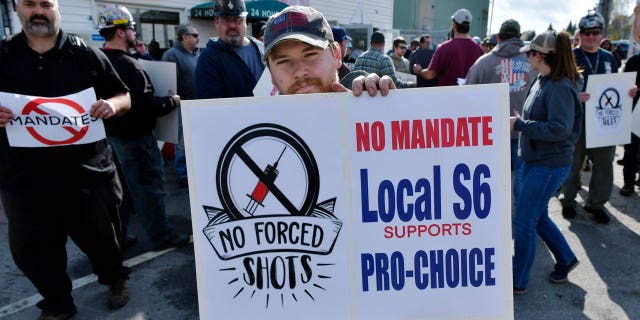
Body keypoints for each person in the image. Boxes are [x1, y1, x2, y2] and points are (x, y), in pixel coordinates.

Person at [0, 0, 132, 318]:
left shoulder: (84, 52)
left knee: (104, 241)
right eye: (30, 4)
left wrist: (112, 106)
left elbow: (123, 94)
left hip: (85, 175)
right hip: (25, 180)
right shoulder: (4, 56)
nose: (38, 11)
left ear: (57, 8)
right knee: (33, 250)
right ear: (18, 9)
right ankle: (57, 304)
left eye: (46, 4)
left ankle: (115, 280)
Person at [98, 4, 191, 251]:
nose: (133, 33)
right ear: (120, 32)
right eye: (130, 29)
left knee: (124, 193)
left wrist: (139, 55)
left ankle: (119, 237)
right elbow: (144, 104)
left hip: (114, 138)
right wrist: (172, 101)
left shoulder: (102, 59)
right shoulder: (129, 65)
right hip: (137, 138)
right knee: (149, 190)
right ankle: (162, 237)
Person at [510, 30, 583, 295]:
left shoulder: (560, 86)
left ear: (538, 55)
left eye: (529, 53)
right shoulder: (542, 79)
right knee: (536, 217)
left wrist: (520, 124)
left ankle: (517, 279)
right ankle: (565, 258)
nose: (527, 58)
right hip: (533, 160)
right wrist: (524, 122)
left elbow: (559, 129)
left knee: (524, 220)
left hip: (548, 164)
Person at [560, 12, 637, 224]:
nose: (590, 37)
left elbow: (615, 87)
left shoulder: (608, 58)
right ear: (580, 34)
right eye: (586, 33)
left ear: (601, 33)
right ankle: (568, 200)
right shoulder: (570, 57)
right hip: (577, 121)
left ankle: (596, 204)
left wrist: (627, 93)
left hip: (604, 122)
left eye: (595, 32)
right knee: (573, 164)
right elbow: (558, 86)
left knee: (604, 165)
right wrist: (576, 95)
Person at [263, 6, 394, 97]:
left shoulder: (366, 100)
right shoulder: (260, 128)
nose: (299, 72)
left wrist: (387, 106)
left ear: (336, 55)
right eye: (283, 61)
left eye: (310, 54)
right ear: (271, 75)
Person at [466, 19, 536, 177]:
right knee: (521, 176)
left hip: (490, 130)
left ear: (498, 38)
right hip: (524, 128)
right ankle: (519, 203)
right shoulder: (533, 61)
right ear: (519, 37)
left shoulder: (483, 63)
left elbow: (467, 95)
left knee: (491, 177)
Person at [195, 0, 264, 99]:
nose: (232, 25)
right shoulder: (208, 60)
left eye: (238, 19)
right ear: (216, 21)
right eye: (226, 20)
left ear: (246, 21)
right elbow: (211, 108)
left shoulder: (261, 48)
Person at [161, 24, 200, 187]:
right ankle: (183, 174)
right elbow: (166, 81)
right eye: (195, 35)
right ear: (184, 37)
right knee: (182, 143)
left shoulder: (197, 54)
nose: (198, 38)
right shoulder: (172, 55)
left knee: (194, 141)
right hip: (181, 107)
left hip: (197, 105)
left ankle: (193, 170)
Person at [418, 8, 484, 86]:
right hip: (470, 96)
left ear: (454, 25)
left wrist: (419, 71)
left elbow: (430, 74)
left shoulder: (444, 48)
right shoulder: (479, 49)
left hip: (447, 96)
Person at [620, 52, 640, 196]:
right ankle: (628, 183)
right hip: (633, 112)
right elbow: (623, 84)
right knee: (631, 150)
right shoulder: (634, 60)